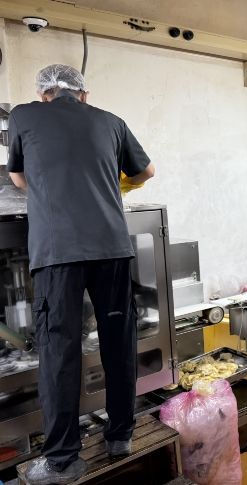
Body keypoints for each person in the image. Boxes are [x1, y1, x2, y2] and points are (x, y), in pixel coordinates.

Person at [7, 64, 155, 485]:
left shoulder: (23, 114)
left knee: (60, 351)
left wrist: (51, 187)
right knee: (118, 343)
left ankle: (62, 460)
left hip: (58, 252)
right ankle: (120, 436)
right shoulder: (112, 121)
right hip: (112, 248)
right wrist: (111, 183)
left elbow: (17, 177)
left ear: (44, 94)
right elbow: (147, 171)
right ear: (84, 94)